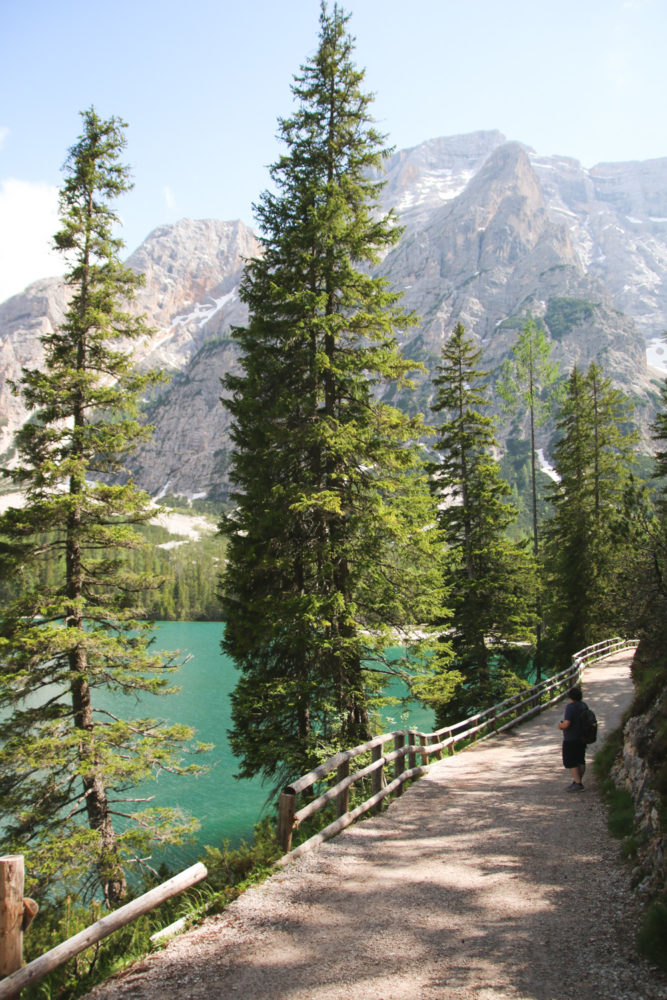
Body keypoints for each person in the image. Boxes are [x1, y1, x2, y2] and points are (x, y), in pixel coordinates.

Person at [558, 686, 587, 791]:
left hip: (571, 738)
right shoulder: (584, 705)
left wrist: (560, 725)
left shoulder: (570, 707)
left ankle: (578, 783)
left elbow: (567, 724)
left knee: (570, 761)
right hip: (582, 737)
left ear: (571, 697)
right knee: (580, 760)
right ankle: (578, 781)